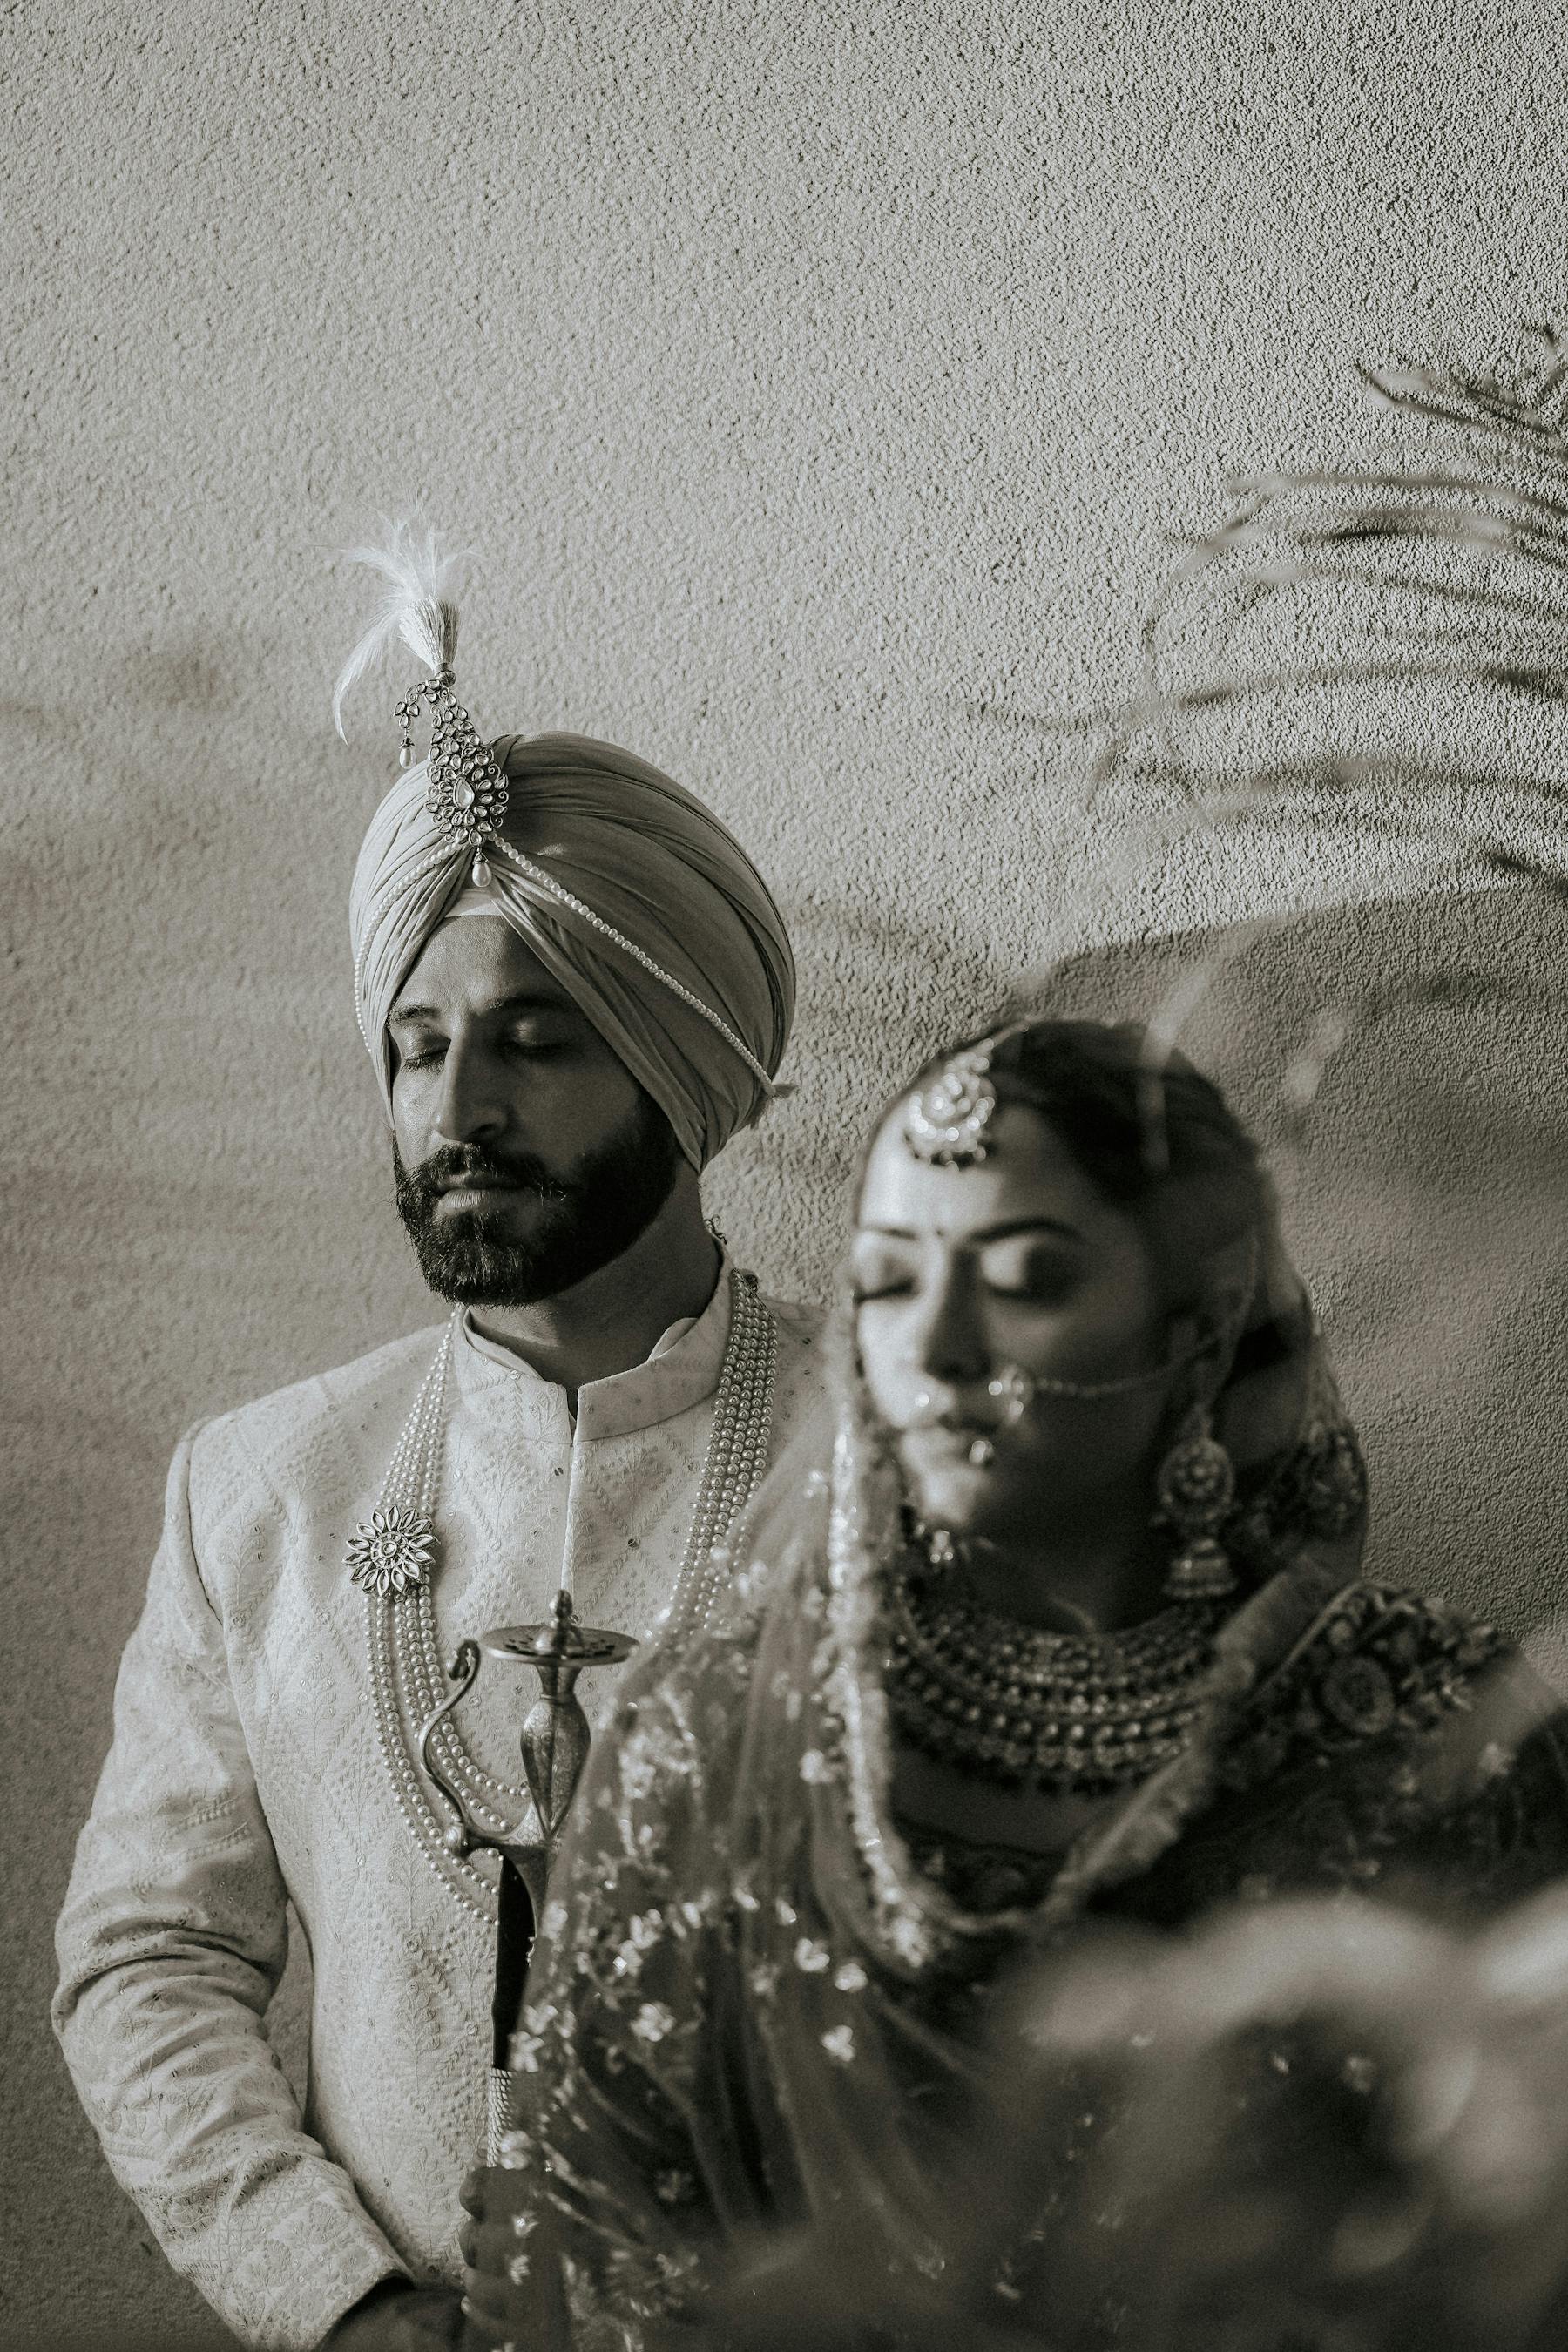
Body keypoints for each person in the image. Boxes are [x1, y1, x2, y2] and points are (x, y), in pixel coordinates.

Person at [463, 1015, 1568, 2350]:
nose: (934, 1345)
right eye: (887, 1281)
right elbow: (586, 2243)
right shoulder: (711, 1742)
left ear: (1200, 1325)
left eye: (1026, 1276)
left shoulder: (1445, 1732)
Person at [52, 527, 821, 2352]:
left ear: (681, 1065)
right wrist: (341, 2303)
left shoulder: (910, 1454)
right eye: (414, 1047)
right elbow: (150, 1959)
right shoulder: (260, 1489)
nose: (456, 1107)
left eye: (534, 1040)